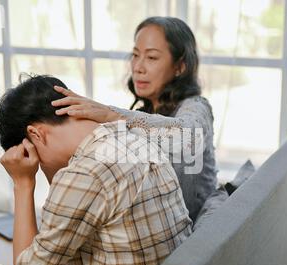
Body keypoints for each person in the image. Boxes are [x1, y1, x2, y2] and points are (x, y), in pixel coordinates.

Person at [0, 74, 192, 265]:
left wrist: (23, 183)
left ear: (35, 134)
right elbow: (60, 231)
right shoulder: (133, 136)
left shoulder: (85, 171)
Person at [51, 16, 218, 222]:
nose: (138, 67)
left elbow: (186, 137)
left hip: (187, 238)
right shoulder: (142, 112)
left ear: (180, 66)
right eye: (135, 55)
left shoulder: (197, 106)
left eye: (152, 58)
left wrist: (112, 115)